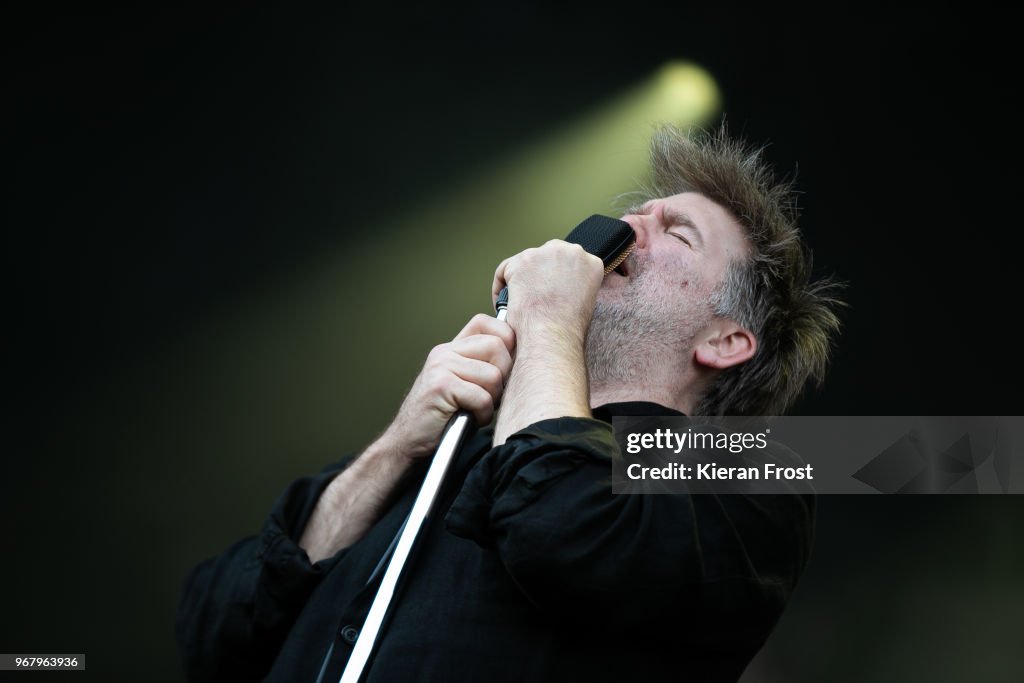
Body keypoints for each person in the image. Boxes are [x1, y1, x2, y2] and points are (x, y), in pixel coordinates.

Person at [175, 124, 842, 682]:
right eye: (635, 213)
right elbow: (215, 630)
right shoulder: (450, 446)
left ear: (726, 338)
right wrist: (394, 448)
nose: (626, 231)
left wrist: (549, 318)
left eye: (677, 232)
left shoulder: (748, 473)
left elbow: (563, 531)